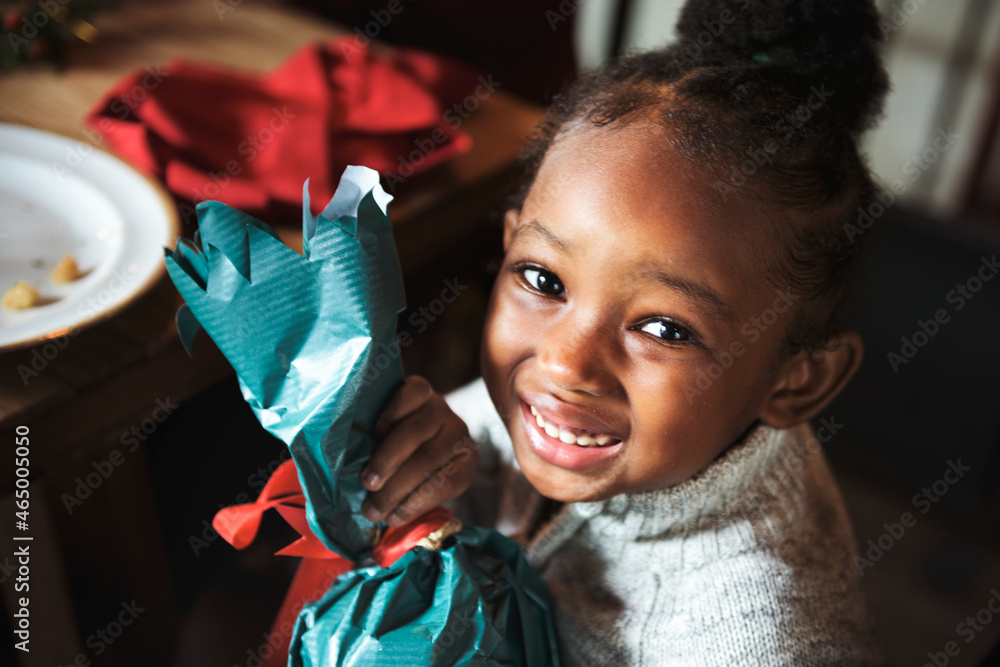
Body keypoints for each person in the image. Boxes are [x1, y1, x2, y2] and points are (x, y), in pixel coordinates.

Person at [356, 0, 888, 663]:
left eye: (665, 328)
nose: (566, 362)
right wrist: (429, 466)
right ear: (511, 241)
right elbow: (471, 448)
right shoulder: (588, 417)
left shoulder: (752, 644)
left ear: (797, 380)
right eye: (545, 281)